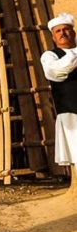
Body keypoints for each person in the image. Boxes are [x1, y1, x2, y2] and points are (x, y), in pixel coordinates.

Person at [41, 12, 77, 169]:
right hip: (72, 113)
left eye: (66, 29)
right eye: (58, 31)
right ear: (53, 38)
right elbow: (57, 72)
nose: (63, 33)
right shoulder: (49, 56)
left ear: (74, 33)